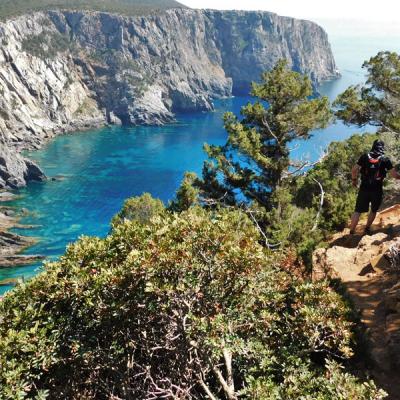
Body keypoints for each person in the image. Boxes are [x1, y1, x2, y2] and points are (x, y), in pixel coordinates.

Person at [349, 139, 400, 235]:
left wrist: (354, 180)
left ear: (373, 146)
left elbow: (354, 170)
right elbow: (394, 175)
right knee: (373, 210)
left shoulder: (364, 157)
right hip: (377, 189)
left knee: (357, 210)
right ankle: (367, 228)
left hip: (364, 188)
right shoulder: (385, 159)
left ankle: (351, 231)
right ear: (382, 148)